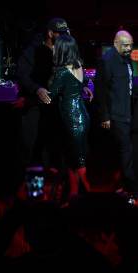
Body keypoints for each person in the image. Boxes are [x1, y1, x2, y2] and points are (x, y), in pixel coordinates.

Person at [16, 18, 92, 166]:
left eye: (66, 32)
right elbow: (23, 75)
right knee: (38, 144)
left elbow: (74, 69)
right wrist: (36, 89)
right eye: (60, 33)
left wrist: (82, 85)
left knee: (63, 147)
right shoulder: (34, 51)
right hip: (40, 106)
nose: (64, 35)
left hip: (60, 105)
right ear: (50, 33)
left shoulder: (66, 47)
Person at [94, 30, 138, 189]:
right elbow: (101, 90)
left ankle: (124, 183)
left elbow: (126, 85)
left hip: (125, 112)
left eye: (131, 45)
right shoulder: (107, 61)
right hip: (115, 114)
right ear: (115, 44)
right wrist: (104, 116)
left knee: (124, 149)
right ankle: (128, 184)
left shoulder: (126, 59)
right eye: (125, 45)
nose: (129, 48)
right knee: (123, 150)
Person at [48, 34, 92, 197]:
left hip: (73, 120)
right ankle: (74, 197)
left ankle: (96, 197)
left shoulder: (62, 72)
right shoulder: (78, 65)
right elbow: (84, 83)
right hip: (82, 116)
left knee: (79, 163)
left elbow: (49, 96)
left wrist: (33, 93)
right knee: (73, 163)